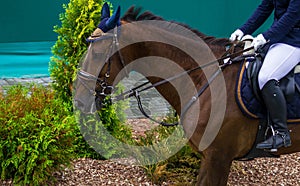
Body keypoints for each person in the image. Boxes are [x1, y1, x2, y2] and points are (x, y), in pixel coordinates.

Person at [229, 0, 300, 151]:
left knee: (266, 77)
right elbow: (265, 7)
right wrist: (243, 30)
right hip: (279, 38)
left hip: (295, 41)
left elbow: (292, 16)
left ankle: (282, 133)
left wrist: (266, 36)